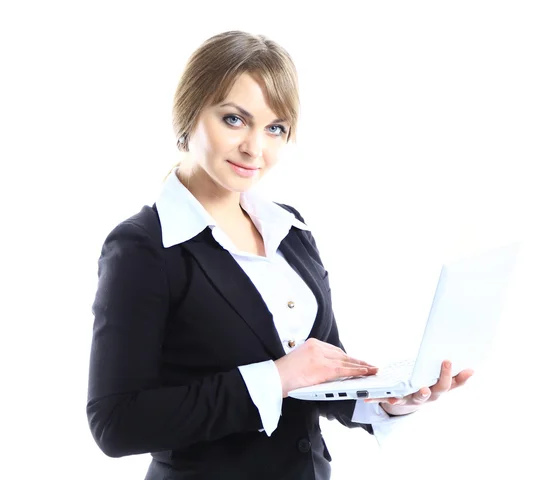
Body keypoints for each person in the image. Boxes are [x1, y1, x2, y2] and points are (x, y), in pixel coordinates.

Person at [86, 30, 474, 480]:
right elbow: (115, 423)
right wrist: (276, 377)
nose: (256, 148)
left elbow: (321, 373)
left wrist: (387, 399)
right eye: (234, 120)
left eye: (275, 128)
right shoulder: (145, 246)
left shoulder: (288, 228)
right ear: (188, 115)